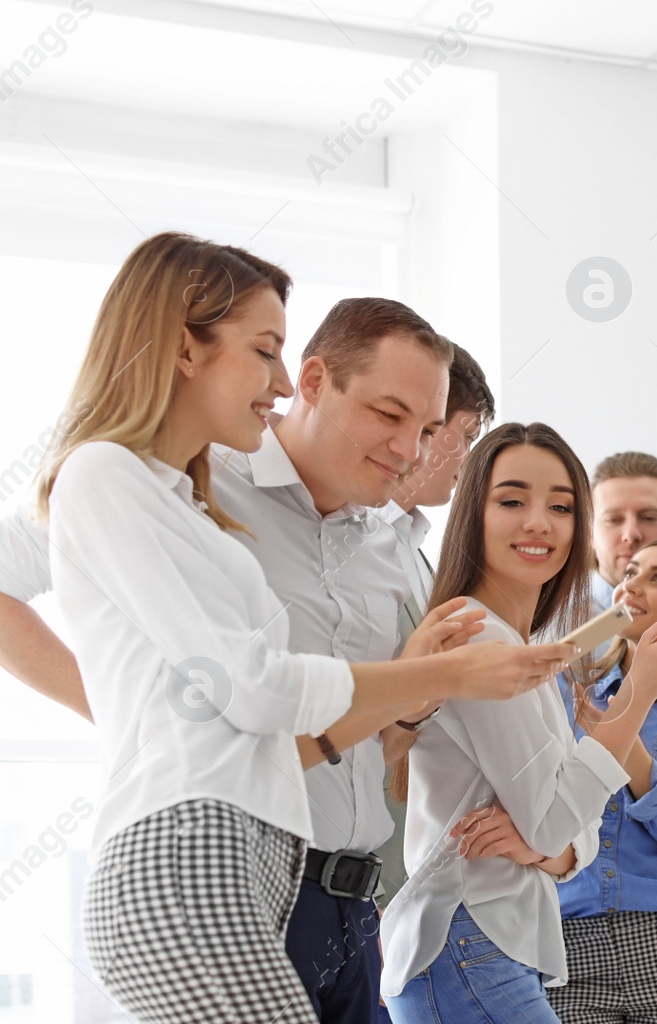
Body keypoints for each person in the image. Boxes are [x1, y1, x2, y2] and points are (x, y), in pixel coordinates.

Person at [31, 232, 557, 1024]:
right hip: (201, 853)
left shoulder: (211, 507)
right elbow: (252, 685)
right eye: (267, 352)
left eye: (429, 429)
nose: (411, 450)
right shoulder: (125, 477)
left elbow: (301, 728)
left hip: (330, 885)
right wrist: (136, 719)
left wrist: (410, 700)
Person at [379, 422, 657, 1024]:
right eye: (512, 501)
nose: (539, 523)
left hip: (486, 945)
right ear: (474, 513)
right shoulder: (478, 637)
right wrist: (643, 688)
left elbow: (565, 832)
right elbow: (557, 820)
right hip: (467, 943)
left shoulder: (519, 643)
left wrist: (550, 851)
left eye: (560, 506)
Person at [455, 536, 657, 1024]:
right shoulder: (559, 685)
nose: (631, 586)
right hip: (564, 939)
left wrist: (625, 727)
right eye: (630, 574)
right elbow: (530, 799)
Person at [374, 341, 496, 898]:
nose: (468, 461)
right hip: (354, 847)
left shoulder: (423, 561)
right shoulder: (349, 543)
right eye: (465, 438)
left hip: (406, 859)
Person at [589, 451, 657, 613]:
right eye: (613, 520)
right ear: (588, 532)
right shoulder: (552, 629)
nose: (631, 535)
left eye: (649, 518)